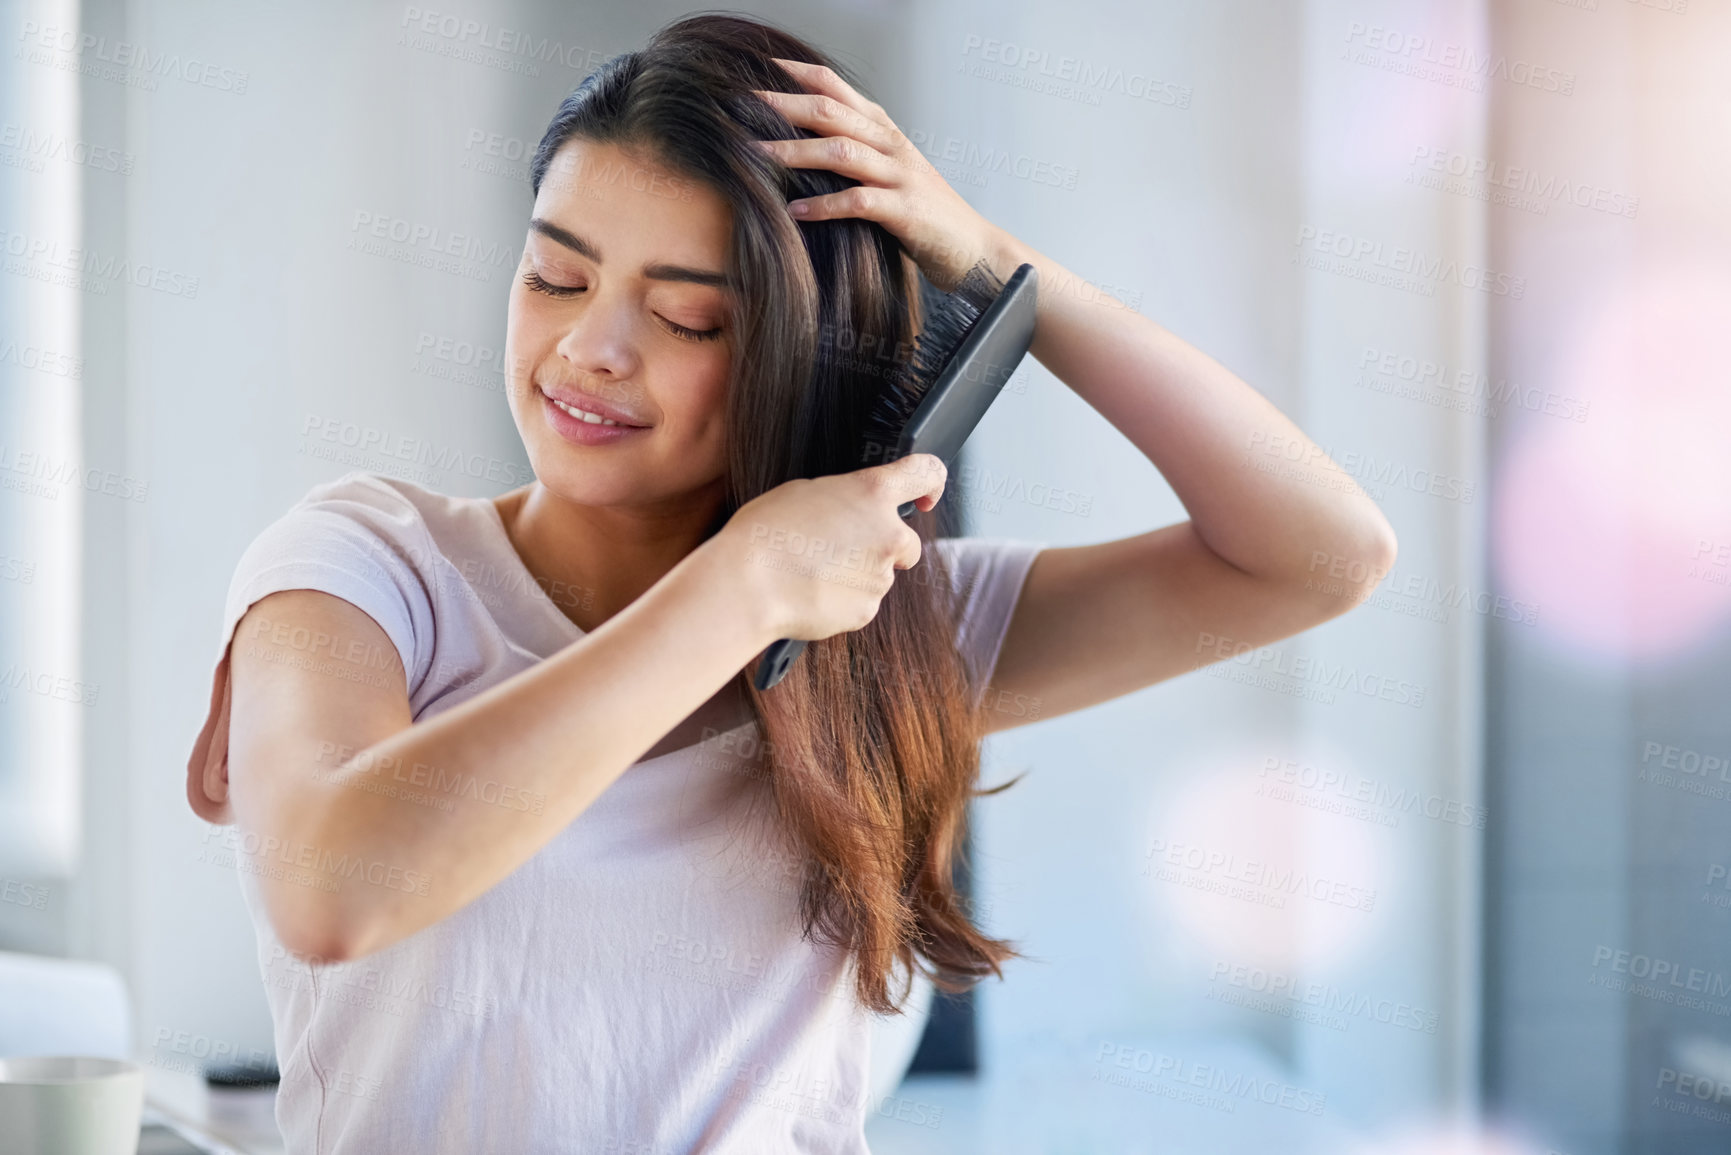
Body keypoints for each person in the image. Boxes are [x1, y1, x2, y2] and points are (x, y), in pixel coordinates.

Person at [183, 13, 1395, 1153]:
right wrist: (744, 587)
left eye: (687, 320)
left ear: (799, 354)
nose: (590, 348)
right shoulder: (366, 565)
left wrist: (995, 265)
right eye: (556, 278)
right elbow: (332, 889)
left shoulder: (888, 630)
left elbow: (1322, 553)